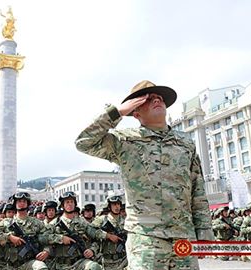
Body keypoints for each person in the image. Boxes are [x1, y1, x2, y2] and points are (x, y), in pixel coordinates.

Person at [75, 80, 214, 269]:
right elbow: (83, 142)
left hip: (183, 234)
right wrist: (117, 112)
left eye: (160, 98)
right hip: (146, 238)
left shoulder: (185, 143)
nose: (157, 100)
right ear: (136, 111)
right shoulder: (124, 141)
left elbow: (197, 189)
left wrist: (204, 231)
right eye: (148, 99)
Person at [0, 192, 58, 269]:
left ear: (28, 203)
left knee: (41, 267)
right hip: (8, 265)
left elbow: (47, 238)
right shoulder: (6, 222)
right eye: (19, 201)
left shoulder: (36, 223)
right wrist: (9, 237)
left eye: (24, 201)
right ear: (15, 203)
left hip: (29, 262)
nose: (22, 203)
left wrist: (46, 251)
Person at [92, 195, 127, 269]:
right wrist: (107, 236)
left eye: (118, 204)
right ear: (109, 206)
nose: (116, 207)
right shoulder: (102, 220)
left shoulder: (126, 221)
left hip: (124, 260)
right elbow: (91, 231)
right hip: (107, 261)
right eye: (114, 204)